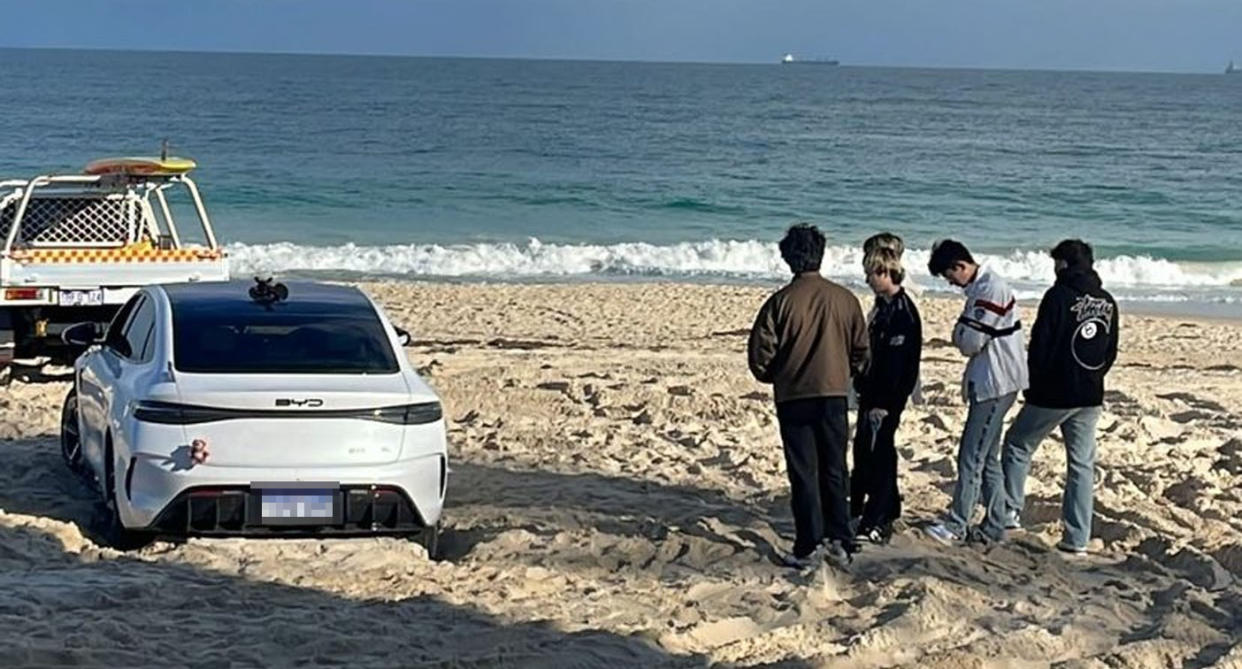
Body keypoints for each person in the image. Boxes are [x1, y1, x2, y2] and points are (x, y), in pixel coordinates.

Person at [748, 223, 869, 568]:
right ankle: (840, 539)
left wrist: (776, 375)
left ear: (788, 259)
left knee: (803, 472)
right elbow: (862, 349)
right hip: (833, 394)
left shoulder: (780, 302)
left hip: (795, 395)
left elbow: (760, 356)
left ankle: (808, 543)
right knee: (834, 469)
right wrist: (846, 371)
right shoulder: (844, 299)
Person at [1000, 240, 1118, 555]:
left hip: (1054, 392)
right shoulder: (1107, 301)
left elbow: (1041, 344)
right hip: (1090, 394)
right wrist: (1094, 377)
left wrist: (1032, 383)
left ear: (1063, 265)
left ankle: (1009, 514)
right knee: (1081, 464)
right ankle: (1077, 538)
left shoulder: (1058, 296)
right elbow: (1110, 350)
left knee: (1017, 445)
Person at [923, 239, 1028, 545]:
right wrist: (962, 332)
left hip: (996, 382)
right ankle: (996, 522)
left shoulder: (990, 290)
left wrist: (961, 332)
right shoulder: (981, 290)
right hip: (991, 381)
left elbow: (969, 342)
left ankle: (958, 524)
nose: (950, 283)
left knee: (971, 456)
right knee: (987, 456)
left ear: (960, 266)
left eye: (949, 276)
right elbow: (965, 335)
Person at [851, 247, 922, 544]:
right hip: (872, 390)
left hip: (886, 397)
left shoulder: (903, 312)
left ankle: (877, 519)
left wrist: (883, 402)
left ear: (885, 273)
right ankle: (883, 508)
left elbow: (898, 365)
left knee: (878, 454)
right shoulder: (883, 306)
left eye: (871, 274)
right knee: (867, 450)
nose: (867, 279)